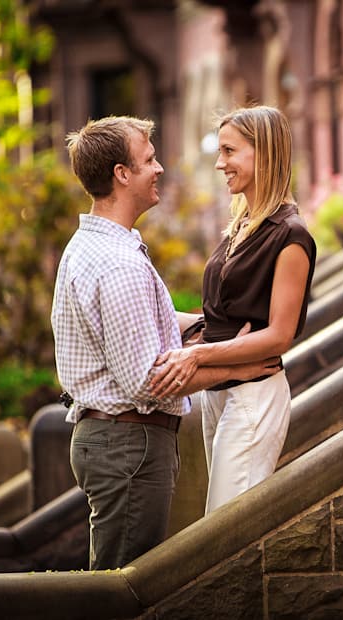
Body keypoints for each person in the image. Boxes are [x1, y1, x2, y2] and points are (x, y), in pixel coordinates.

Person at [52, 115, 280, 570]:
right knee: (127, 593)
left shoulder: (95, 245)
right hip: (129, 444)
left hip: (115, 442)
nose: (159, 169)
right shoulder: (118, 264)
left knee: (116, 582)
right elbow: (148, 382)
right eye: (149, 159)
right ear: (122, 174)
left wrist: (205, 328)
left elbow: (138, 321)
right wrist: (239, 367)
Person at [151, 105, 316, 514]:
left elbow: (280, 334)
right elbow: (224, 318)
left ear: (264, 154)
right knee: (221, 524)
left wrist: (199, 354)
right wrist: (155, 313)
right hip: (219, 393)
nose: (220, 162)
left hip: (255, 393)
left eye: (229, 151)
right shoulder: (241, 227)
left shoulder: (291, 236)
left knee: (223, 528)